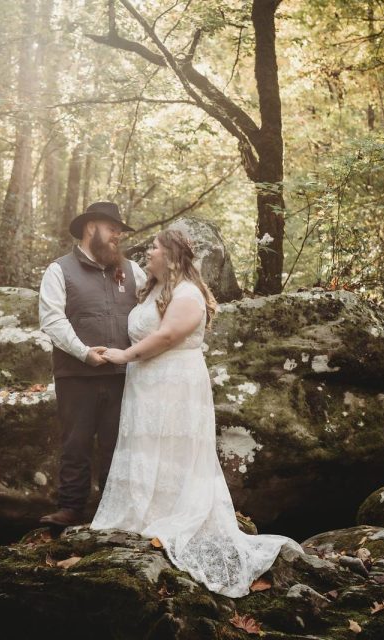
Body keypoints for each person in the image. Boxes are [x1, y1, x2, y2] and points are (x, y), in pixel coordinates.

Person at [93, 228, 302, 598]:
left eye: (154, 248)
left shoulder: (188, 293)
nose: (148, 254)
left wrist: (124, 355)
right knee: (144, 443)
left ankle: (171, 514)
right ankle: (141, 511)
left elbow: (169, 336)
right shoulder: (154, 289)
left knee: (172, 447)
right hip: (146, 382)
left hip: (175, 382)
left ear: (171, 255)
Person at [37, 201, 147, 527]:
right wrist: (84, 352)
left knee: (118, 444)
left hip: (123, 374)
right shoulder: (59, 270)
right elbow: (52, 320)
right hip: (76, 374)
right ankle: (70, 509)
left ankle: (112, 513)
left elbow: (153, 310)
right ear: (90, 227)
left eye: (119, 231)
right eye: (112, 228)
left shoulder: (132, 271)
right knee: (76, 443)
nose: (117, 235)